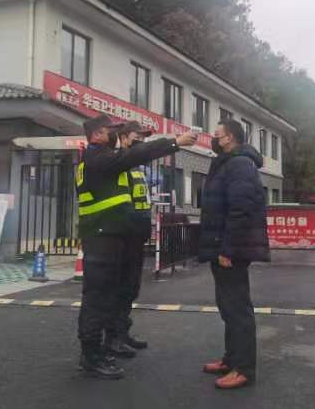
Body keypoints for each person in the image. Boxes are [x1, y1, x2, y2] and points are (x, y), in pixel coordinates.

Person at [76, 114, 196, 379]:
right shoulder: (97, 158)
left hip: (110, 235)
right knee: (97, 298)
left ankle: (101, 349)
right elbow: (134, 155)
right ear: (97, 134)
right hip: (101, 237)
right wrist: (175, 142)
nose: (115, 135)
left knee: (106, 296)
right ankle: (91, 356)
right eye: (111, 130)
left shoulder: (103, 158)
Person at [198, 118, 270, 390]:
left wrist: (228, 249)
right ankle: (231, 359)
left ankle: (244, 369)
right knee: (227, 306)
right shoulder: (227, 163)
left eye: (217, 134)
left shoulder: (240, 165)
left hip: (231, 250)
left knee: (238, 309)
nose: (213, 138)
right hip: (222, 246)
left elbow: (240, 210)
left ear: (229, 138)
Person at [110, 121, 154, 353]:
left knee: (131, 288)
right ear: (125, 137)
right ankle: (113, 338)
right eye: (138, 137)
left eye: (144, 138)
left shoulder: (136, 166)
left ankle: (122, 332)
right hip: (124, 237)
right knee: (119, 288)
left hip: (137, 236)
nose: (142, 141)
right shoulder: (118, 162)